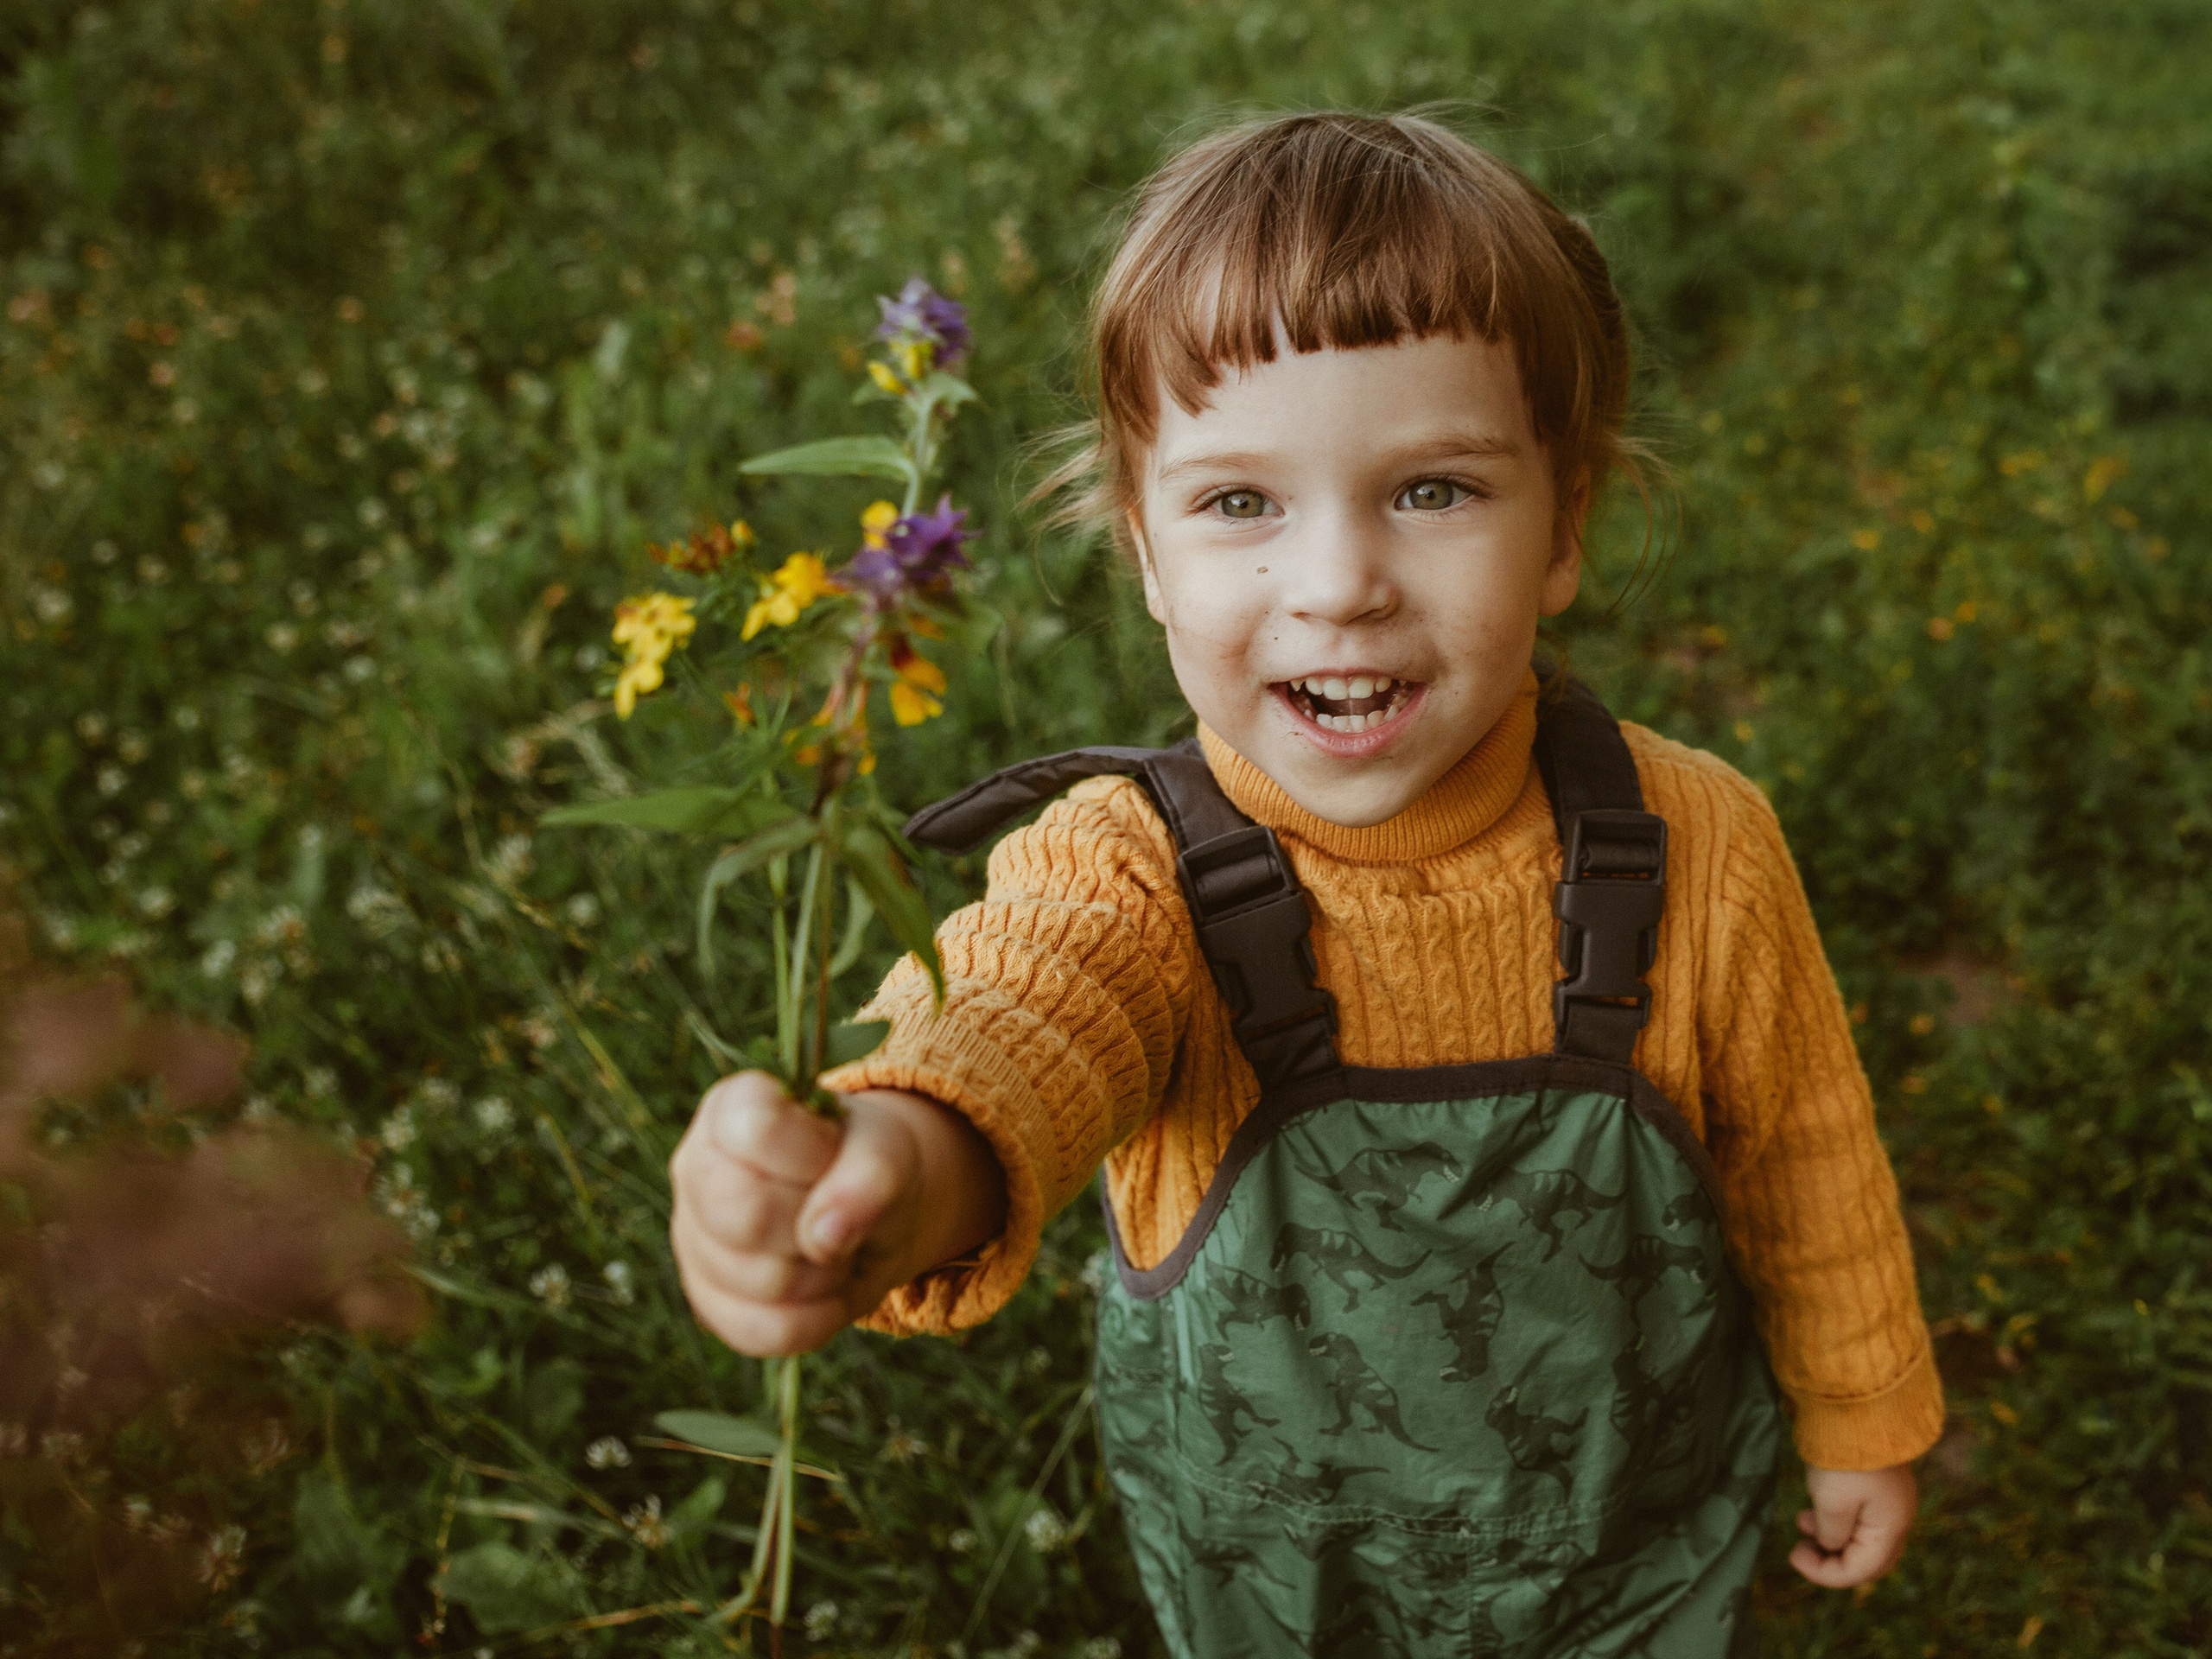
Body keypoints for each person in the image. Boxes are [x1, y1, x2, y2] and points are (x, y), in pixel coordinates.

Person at [669, 111, 1942, 1655]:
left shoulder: (1697, 848)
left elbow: (1803, 1154)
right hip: (1283, 1576)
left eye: (1434, 491)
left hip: (1631, 1539)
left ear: (1566, 528)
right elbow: (1019, 1011)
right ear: (1144, 554)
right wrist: (896, 1154)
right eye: (1239, 504)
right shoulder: (1138, 871)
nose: (1338, 582)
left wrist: (1863, 1410)